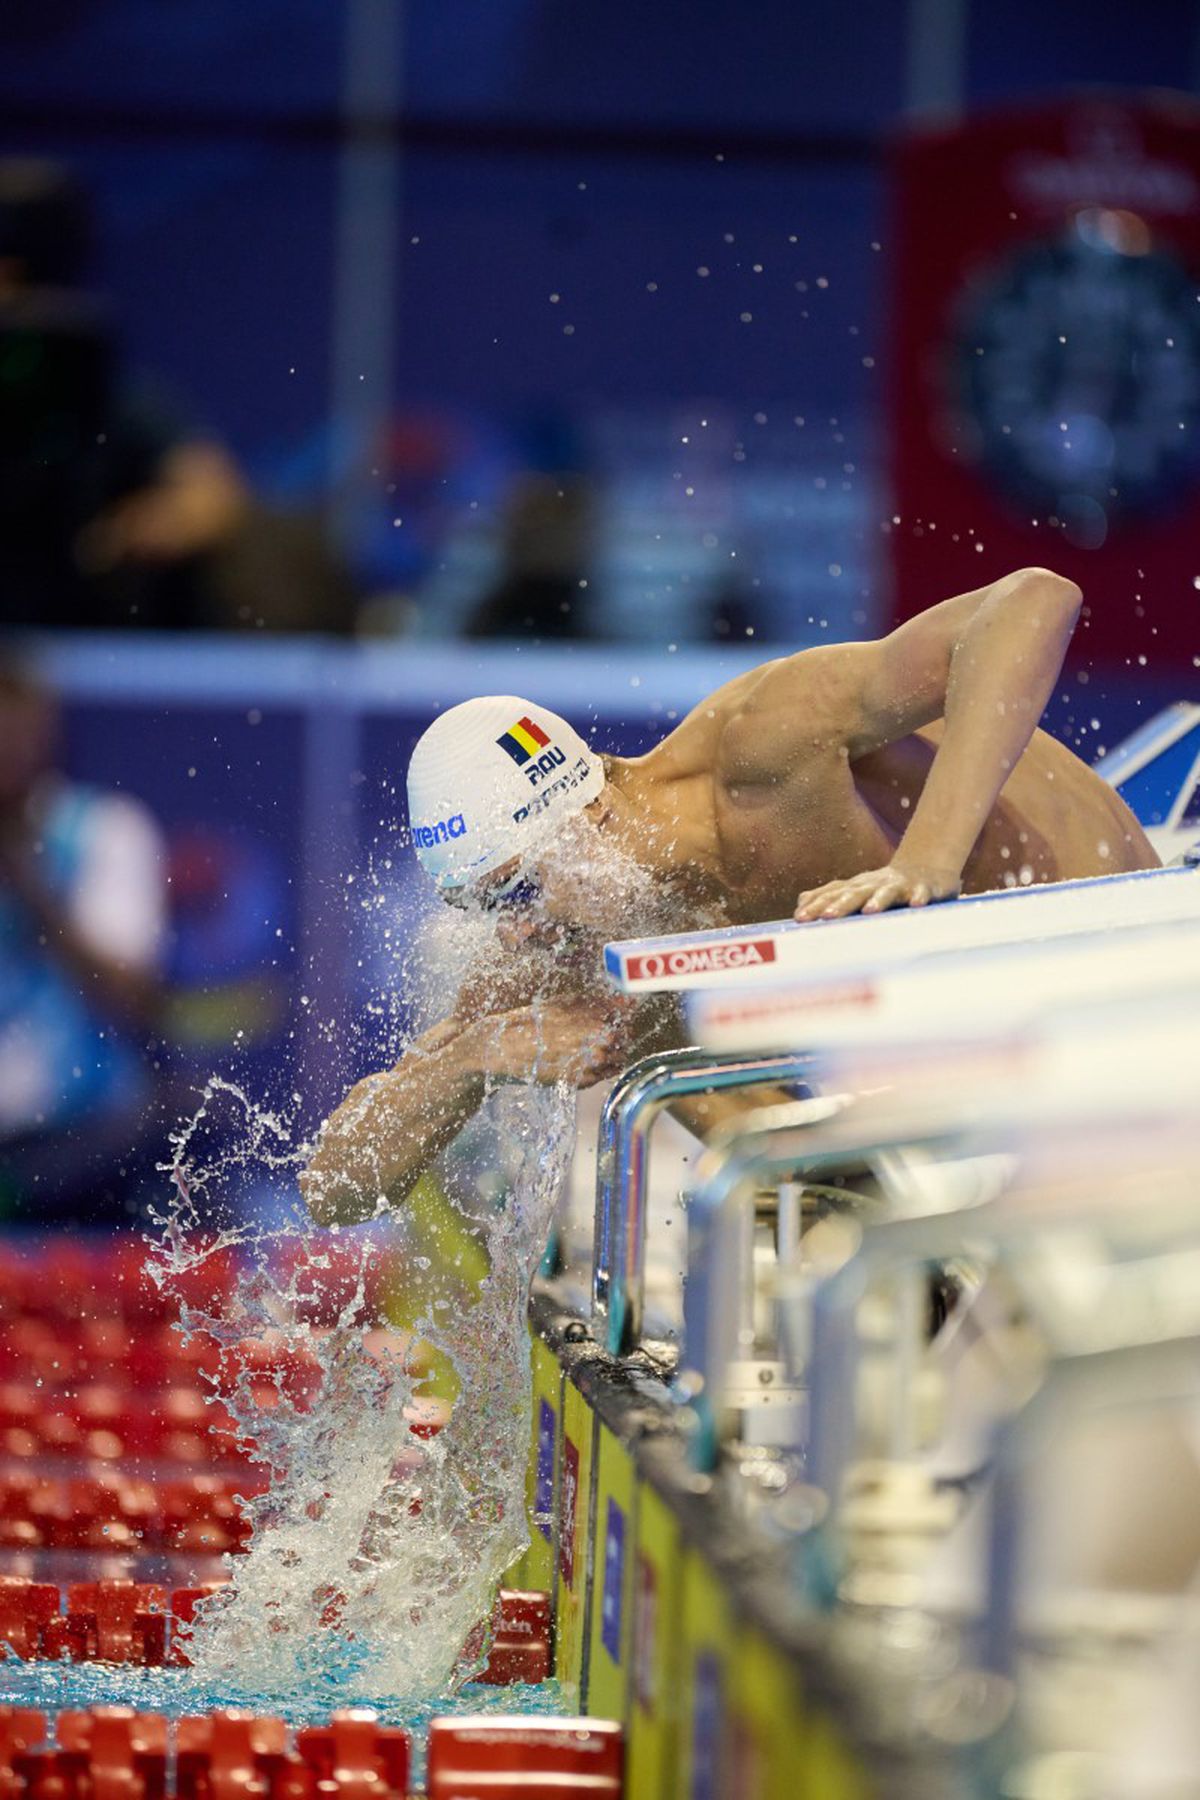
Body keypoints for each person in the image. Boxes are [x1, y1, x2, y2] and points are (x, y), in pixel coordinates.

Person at [302, 566, 1158, 1227]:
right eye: (489, 910)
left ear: (586, 807)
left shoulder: (764, 745)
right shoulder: (582, 942)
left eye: (518, 888)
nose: (518, 932)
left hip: (1122, 972)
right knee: (675, 1057)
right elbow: (333, 1192)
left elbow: (1033, 602)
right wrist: (464, 1063)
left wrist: (929, 857)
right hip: (991, 1073)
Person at [0, 659, 168, 1223]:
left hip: (87, 1147)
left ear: (43, 732)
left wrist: (32, 890)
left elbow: (134, 999)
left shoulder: (104, 830)